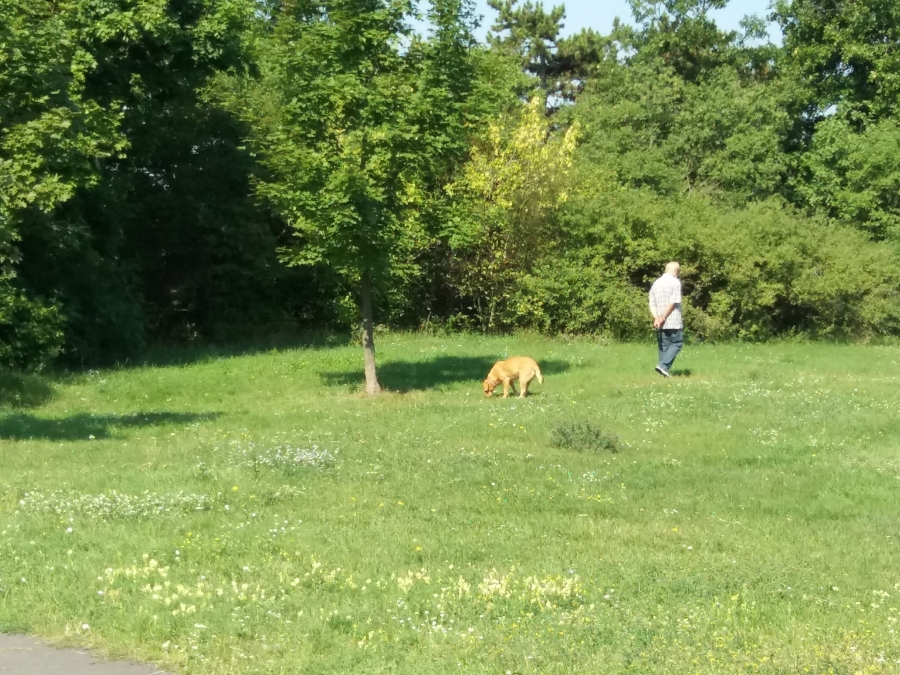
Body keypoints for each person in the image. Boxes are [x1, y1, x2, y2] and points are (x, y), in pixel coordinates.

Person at [648, 261, 683, 378]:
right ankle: (663, 366)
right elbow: (672, 303)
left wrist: (656, 317)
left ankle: (663, 370)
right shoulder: (675, 282)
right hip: (672, 320)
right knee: (677, 343)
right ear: (675, 271)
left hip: (660, 321)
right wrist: (663, 317)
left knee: (664, 346)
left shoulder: (656, 283)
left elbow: (652, 303)